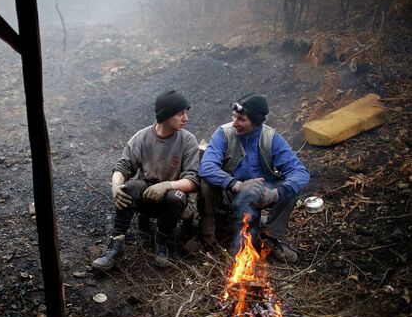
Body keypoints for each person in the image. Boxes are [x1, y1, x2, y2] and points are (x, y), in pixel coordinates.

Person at [92, 90, 200, 271]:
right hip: (147, 194)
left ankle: (162, 240)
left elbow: (193, 179)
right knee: (129, 188)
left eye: (185, 113)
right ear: (166, 115)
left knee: (175, 197)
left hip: (172, 195)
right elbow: (123, 166)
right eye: (180, 113)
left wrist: (167, 185)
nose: (186, 118)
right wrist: (116, 185)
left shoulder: (188, 140)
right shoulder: (142, 137)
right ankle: (115, 248)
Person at [198, 93, 310, 262]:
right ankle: (207, 234)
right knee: (207, 182)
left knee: (290, 187)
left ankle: (269, 239)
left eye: (241, 119)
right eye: (234, 117)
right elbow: (206, 167)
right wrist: (238, 185)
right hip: (229, 192)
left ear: (256, 122)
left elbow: (300, 172)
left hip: (260, 195)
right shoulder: (224, 134)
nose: (235, 123)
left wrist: (274, 194)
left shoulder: (271, 138)